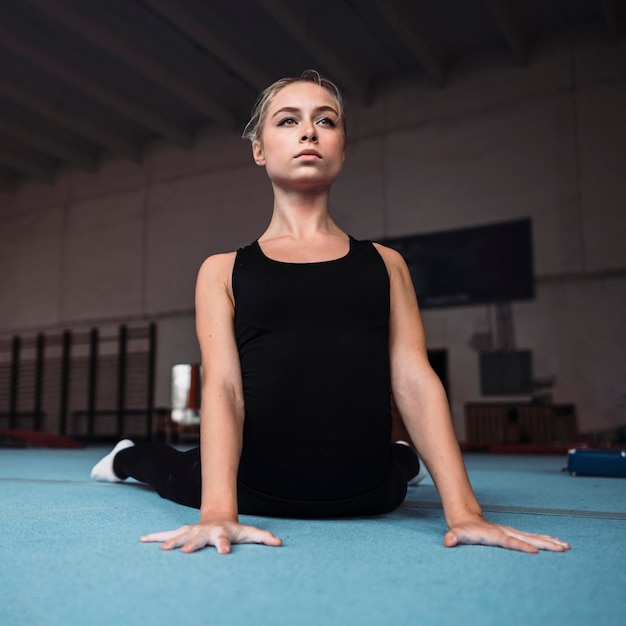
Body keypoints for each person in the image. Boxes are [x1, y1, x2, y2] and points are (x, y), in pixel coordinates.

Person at [91, 70, 570, 556]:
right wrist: (217, 511)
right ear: (259, 150)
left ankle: (404, 458)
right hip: (252, 484)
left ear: (341, 147)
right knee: (166, 467)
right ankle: (126, 455)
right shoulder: (222, 270)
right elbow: (224, 387)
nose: (308, 132)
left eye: (326, 120)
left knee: (397, 462)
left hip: (367, 492)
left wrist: (465, 513)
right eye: (287, 121)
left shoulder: (386, 264)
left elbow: (413, 380)